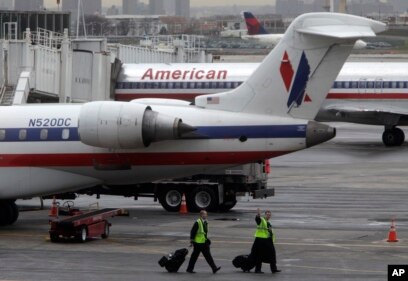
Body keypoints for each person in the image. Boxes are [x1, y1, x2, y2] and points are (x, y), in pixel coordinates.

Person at [250, 208, 281, 274]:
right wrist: (258, 214)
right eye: (267, 215)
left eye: (269, 215)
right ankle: (257, 270)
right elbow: (257, 220)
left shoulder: (268, 223)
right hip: (260, 241)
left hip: (268, 241)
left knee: (272, 254)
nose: (268, 216)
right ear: (265, 215)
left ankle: (274, 269)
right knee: (259, 255)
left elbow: (270, 232)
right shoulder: (262, 220)